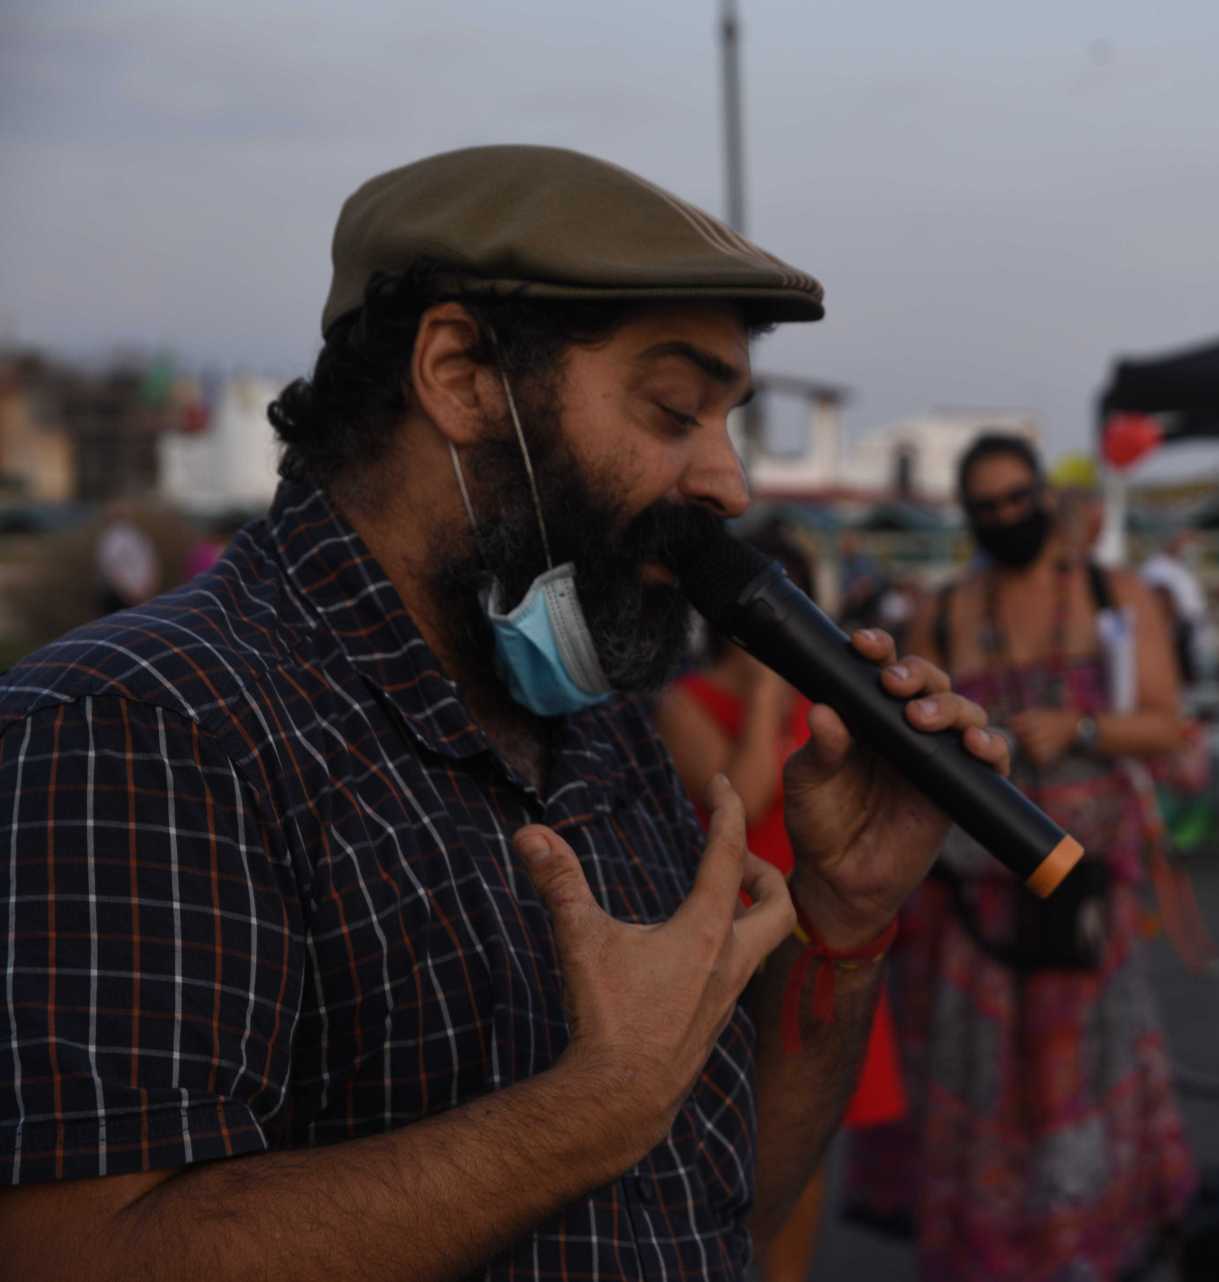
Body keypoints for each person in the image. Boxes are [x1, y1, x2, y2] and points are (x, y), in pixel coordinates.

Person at [0, 145, 1010, 1282]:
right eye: (675, 407)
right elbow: (74, 1251)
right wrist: (594, 1107)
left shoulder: (596, 724)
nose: (728, 484)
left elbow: (712, 1208)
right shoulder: (139, 725)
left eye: (727, 420)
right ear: (462, 374)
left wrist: (844, 920)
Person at [845, 433, 1196, 1282]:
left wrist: (1078, 729)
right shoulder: (946, 611)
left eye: (1018, 499)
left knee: (1081, 1080)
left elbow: (1168, 722)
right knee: (981, 1094)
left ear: (1046, 496)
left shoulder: (1119, 597)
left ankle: (1092, 1251)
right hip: (973, 906)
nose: (1008, 517)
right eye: (988, 506)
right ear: (969, 516)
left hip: (1082, 891)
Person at [654, 525, 906, 1282]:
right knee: (728, 1143)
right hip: (729, 948)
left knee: (802, 1144)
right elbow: (750, 790)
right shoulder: (684, 701)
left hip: (813, 933)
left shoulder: (826, 703)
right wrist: (768, 685)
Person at [1139, 528, 1214, 689]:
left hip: (1190, 637)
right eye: (1188, 541)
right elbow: (1164, 601)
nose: (1192, 547)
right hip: (1175, 640)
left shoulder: (1180, 568)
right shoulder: (1158, 567)